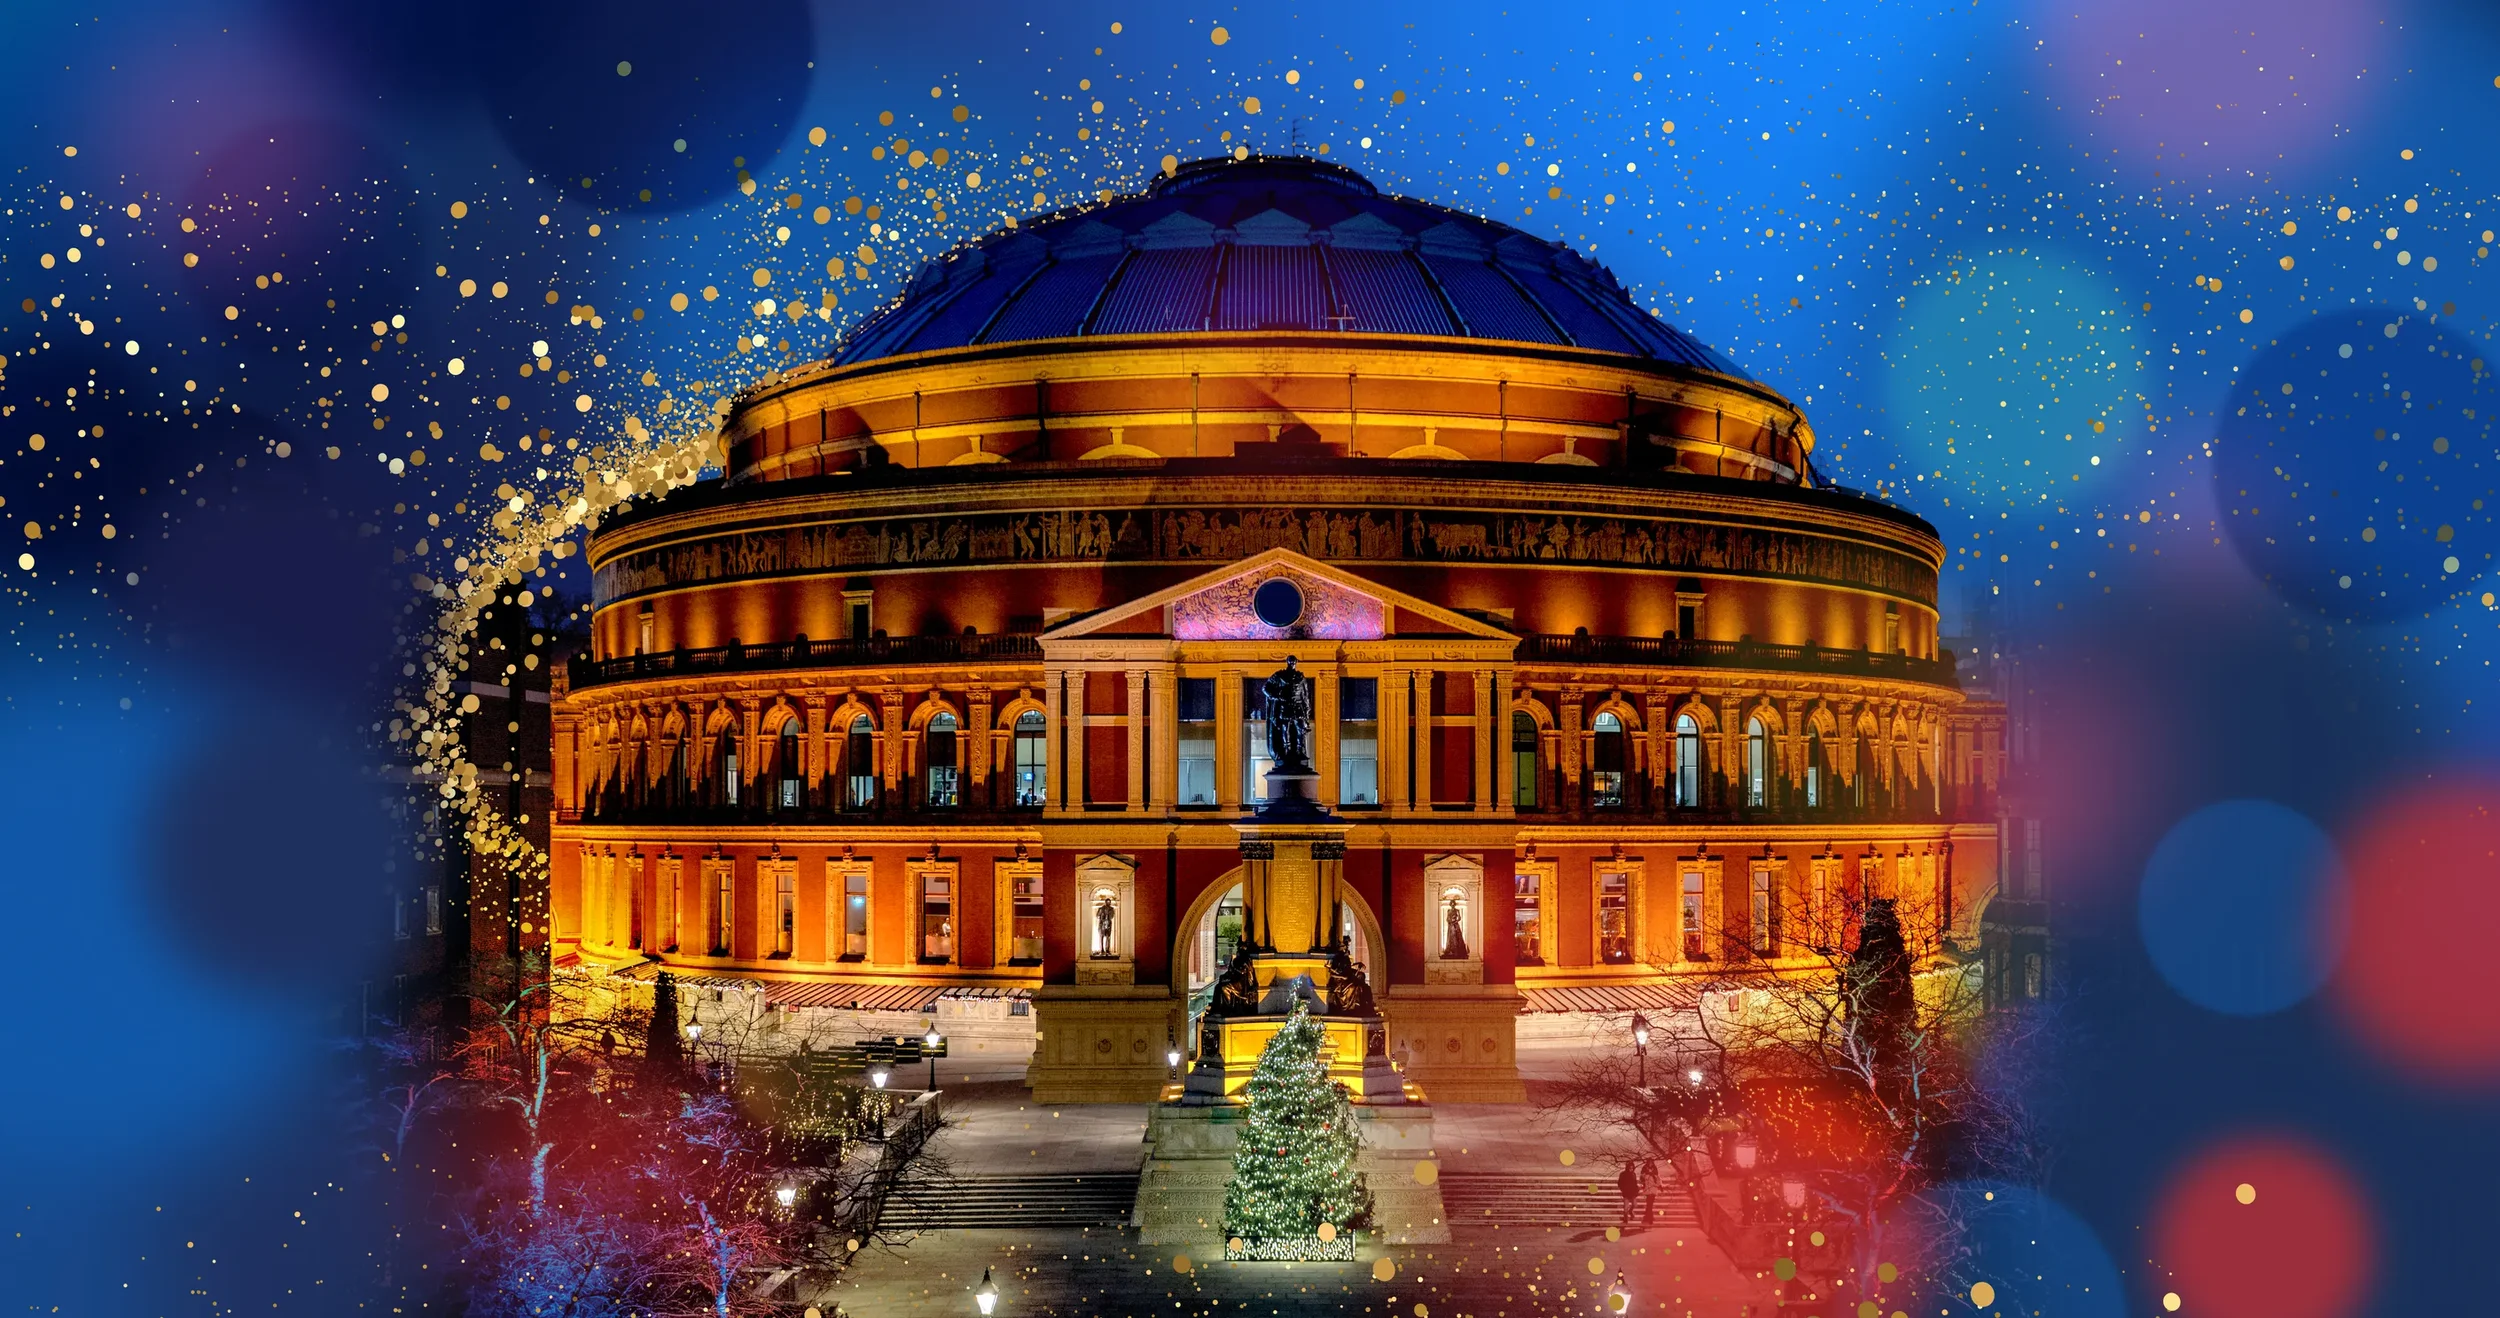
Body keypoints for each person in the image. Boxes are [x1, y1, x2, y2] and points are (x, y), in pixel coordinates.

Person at [1617, 1160, 1641, 1228]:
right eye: (1630, 1168)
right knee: (1625, 1208)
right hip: (1626, 1193)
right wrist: (1623, 1189)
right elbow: (1619, 1183)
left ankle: (1630, 1211)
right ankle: (1625, 1220)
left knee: (1634, 1204)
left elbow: (1635, 1183)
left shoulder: (1633, 1174)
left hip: (1632, 1193)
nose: (1631, 1169)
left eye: (1632, 1168)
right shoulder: (1623, 1174)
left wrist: (1637, 1190)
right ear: (1627, 1168)